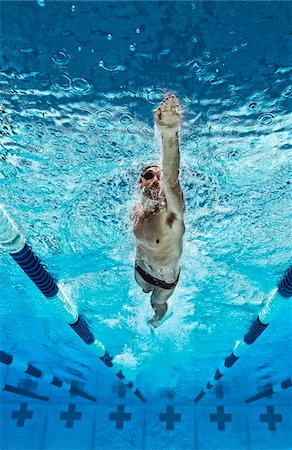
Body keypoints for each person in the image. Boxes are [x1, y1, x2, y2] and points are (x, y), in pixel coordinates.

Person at [132, 95, 186, 328]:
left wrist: (169, 132)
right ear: (140, 183)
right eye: (148, 175)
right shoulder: (137, 208)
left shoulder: (172, 214)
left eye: (159, 175)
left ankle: (158, 319)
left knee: (156, 304)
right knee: (143, 290)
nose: (156, 180)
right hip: (141, 272)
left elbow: (172, 181)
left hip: (165, 281)